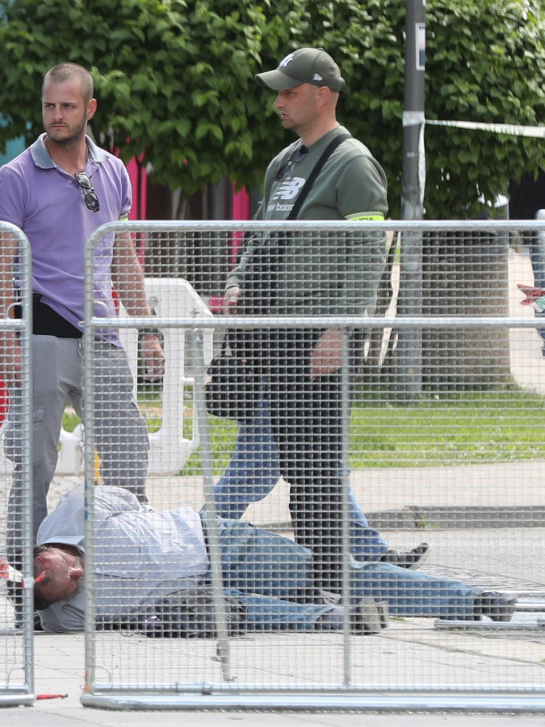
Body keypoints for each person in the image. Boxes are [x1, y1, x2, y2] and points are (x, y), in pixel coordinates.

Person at [223, 48, 388, 592]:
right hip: (273, 331)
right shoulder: (283, 162)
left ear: (323, 94)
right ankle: (323, 575)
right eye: (278, 91)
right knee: (298, 461)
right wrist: (238, 281)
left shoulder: (354, 162)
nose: (278, 101)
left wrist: (341, 328)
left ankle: (334, 577)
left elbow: (369, 252)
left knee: (316, 465)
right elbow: (260, 229)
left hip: (319, 334)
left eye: (289, 92)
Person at [0, 62, 166, 564]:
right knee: (34, 466)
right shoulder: (16, 176)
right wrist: (6, 342)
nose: (57, 115)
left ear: (89, 109)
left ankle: (130, 562)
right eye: (49, 105)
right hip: (42, 334)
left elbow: (124, 255)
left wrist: (148, 328)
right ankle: (27, 574)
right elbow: (1, 265)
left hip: (103, 336)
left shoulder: (113, 170)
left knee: (129, 454)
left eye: (68, 106)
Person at [33, 486, 516, 634]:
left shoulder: (74, 515)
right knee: (220, 607)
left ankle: (471, 600)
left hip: (211, 540)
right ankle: (336, 620)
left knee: (339, 571)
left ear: (55, 552)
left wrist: (155, 525)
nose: (73, 577)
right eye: (61, 586)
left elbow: (125, 498)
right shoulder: (69, 615)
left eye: (57, 568)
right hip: (197, 592)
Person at [215, 387, 430, 569]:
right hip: (278, 374)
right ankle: (201, 544)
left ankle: (372, 553)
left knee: (328, 471)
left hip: (313, 381)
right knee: (253, 471)